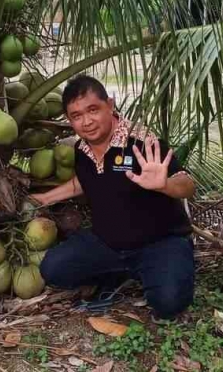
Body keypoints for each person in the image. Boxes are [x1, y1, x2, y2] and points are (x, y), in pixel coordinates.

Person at [29, 75, 196, 321]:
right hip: (107, 243)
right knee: (53, 270)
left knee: (169, 303)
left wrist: (164, 185)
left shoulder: (143, 143)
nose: (86, 122)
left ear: (110, 104)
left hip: (159, 242)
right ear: (69, 119)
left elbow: (187, 184)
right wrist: (45, 198)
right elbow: (84, 181)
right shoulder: (81, 149)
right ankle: (122, 271)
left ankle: (156, 268)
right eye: (77, 116)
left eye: (93, 110)